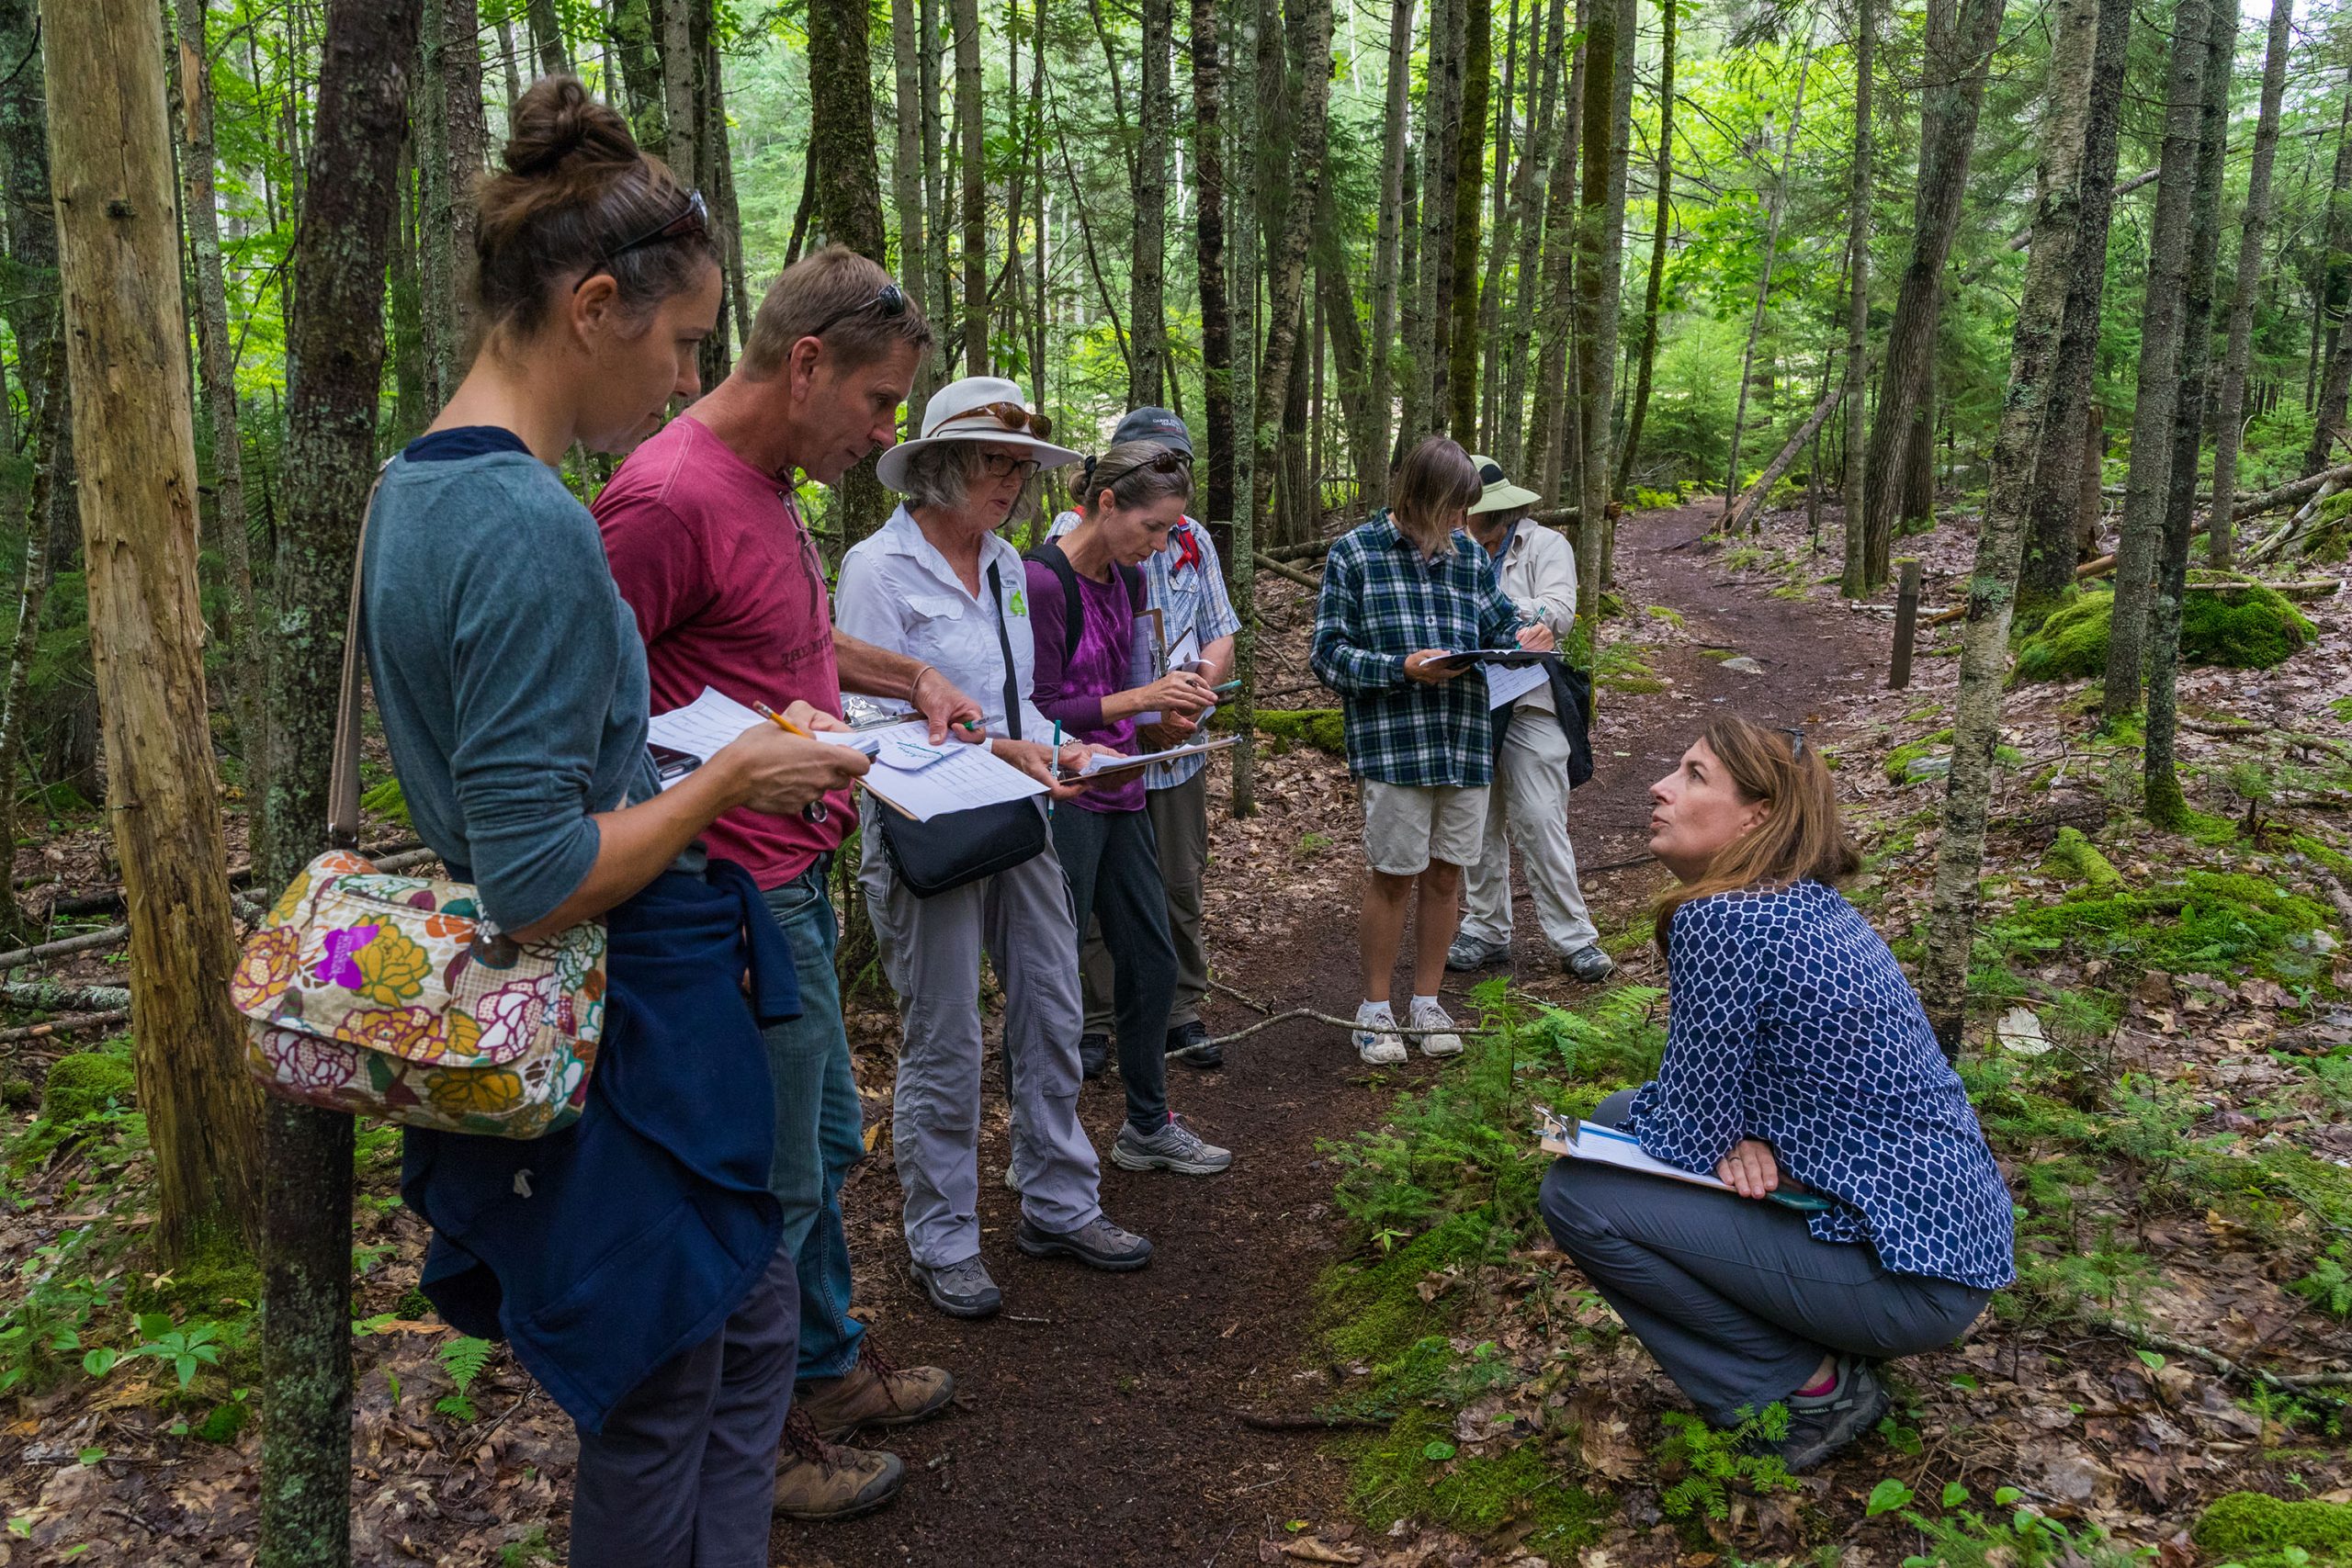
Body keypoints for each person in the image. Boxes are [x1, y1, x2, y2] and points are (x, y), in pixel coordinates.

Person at [359, 78, 873, 1563]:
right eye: (685, 342)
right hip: (620, 1035)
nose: (686, 380)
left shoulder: (417, 484)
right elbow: (531, 872)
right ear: (595, 306)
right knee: (668, 1392)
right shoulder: (524, 521)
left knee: (740, 1336)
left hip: (633, 1023)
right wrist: (723, 783)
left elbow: (519, 763)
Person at [594, 244, 967, 1522]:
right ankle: (767, 1436)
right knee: (772, 1167)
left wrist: (903, 677)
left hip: (794, 880)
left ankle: (819, 1359)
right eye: (876, 404)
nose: (883, 432)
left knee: (815, 1145)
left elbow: (778, 641)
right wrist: (721, 779)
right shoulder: (665, 495)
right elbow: (592, 701)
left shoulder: (767, 481)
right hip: (723, 901)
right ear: (807, 363)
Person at [1539, 717, 2014, 1472]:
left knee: (1576, 1192)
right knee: (1611, 1117)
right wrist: (1737, 1134)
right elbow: (1755, 1089)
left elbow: (1686, 1135)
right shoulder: (1801, 903)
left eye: (1695, 775)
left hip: (1913, 1275)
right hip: (1944, 1241)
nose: (1660, 788)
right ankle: (1813, 1343)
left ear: (1757, 814)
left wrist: (1722, 1135)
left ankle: (1806, 1385)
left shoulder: (1723, 920)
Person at [836, 376, 1156, 1321]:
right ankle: (942, 1236)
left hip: (1018, 817)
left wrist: (1062, 752)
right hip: (924, 829)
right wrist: (994, 747)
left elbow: (1019, 711)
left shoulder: (1014, 569)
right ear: (937, 466)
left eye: (1021, 467)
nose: (1010, 482)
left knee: (1053, 1005)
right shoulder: (877, 569)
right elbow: (860, 725)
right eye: (992, 462)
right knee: (944, 1035)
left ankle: (1058, 1200)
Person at [1309, 436, 1555, 1066]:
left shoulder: (1468, 555)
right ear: (1419, 497)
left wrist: (1527, 634)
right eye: (1452, 509)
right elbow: (1328, 655)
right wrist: (1400, 667)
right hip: (1395, 746)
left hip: (1463, 739)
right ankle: (1373, 1009)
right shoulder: (1355, 555)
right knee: (1393, 874)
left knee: (1448, 874)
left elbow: (1499, 625)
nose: (1460, 523)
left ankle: (1426, 1000)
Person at [1027, 439, 1234, 1177]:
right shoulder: (1043, 580)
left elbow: (1119, 697)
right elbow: (1039, 708)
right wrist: (1143, 700)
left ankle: (1147, 1122)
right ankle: (1039, 1142)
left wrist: (1160, 719)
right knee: (1051, 969)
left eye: (1168, 533)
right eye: (1151, 528)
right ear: (1105, 502)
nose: (1157, 547)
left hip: (1123, 789)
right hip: (1065, 796)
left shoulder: (1122, 579)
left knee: (1150, 958)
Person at [1446, 457, 1614, 984]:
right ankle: (1485, 928)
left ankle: (1575, 937)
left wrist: (1508, 616)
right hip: (1469, 700)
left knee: (1540, 817)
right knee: (1476, 822)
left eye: (1472, 515)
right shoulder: (1451, 548)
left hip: (1531, 699)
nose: (1465, 524)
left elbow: (1560, 607)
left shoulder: (1545, 545)